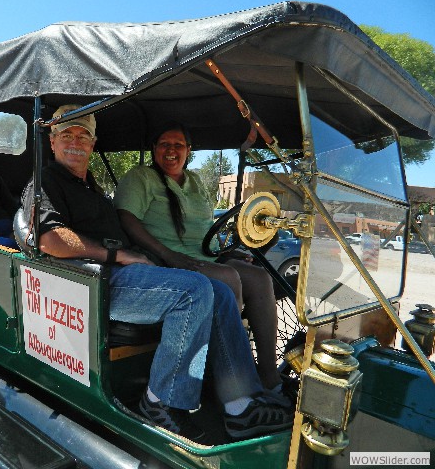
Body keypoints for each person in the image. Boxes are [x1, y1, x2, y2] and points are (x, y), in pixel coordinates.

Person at [21, 104, 293, 441]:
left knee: (220, 291)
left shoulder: (89, 185)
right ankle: (158, 400)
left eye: (83, 136)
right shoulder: (46, 180)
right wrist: (118, 254)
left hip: (121, 273)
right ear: (52, 142)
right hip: (94, 282)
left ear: (92, 144)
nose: (75, 142)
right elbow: (48, 240)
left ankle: (240, 404)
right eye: (66, 135)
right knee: (195, 290)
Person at [113, 122, 285, 398]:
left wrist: (228, 253)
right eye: (164, 144)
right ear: (155, 149)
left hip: (204, 258)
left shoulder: (194, 181)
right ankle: (228, 379)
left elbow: (206, 229)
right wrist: (170, 255)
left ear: (189, 151)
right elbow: (127, 219)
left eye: (178, 145)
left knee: (258, 277)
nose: (171, 150)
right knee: (227, 278)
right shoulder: (141, 178)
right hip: (163, 262)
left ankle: (267, 374)